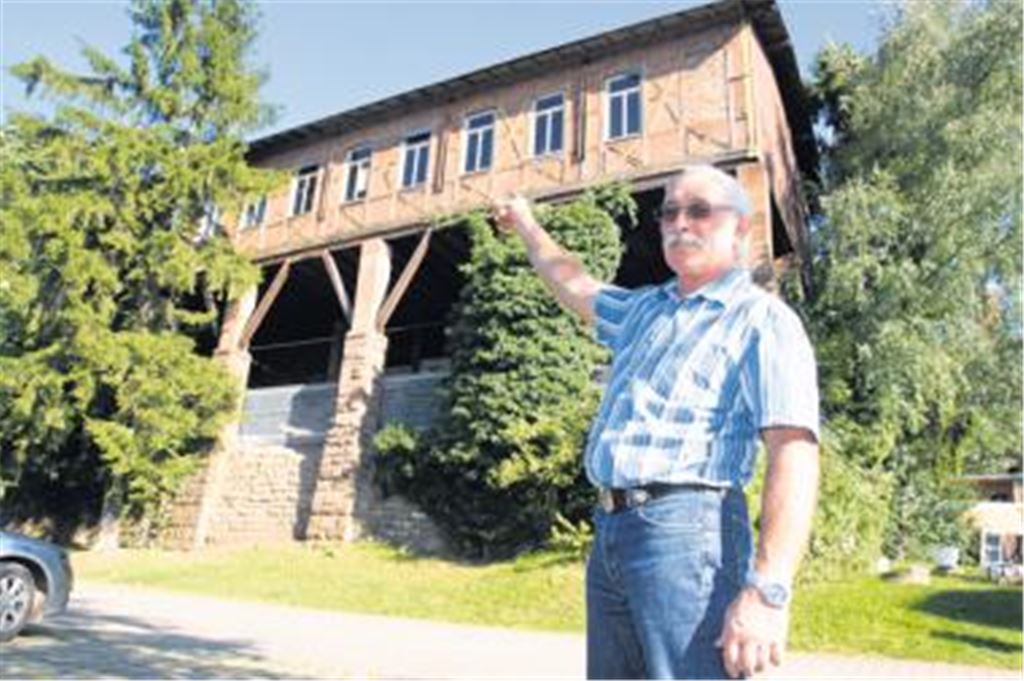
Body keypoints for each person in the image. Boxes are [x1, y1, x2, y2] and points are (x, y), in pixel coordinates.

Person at [492, 165, 820, 680]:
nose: (679, 223)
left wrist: (768, 590)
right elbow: (572, 282)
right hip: (611, 532)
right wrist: (527, 224)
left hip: (688, 531)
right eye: (669, 211)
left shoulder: (763, 319)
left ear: (740, 229)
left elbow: (794, 452)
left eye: (699, 210)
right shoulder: (645, 310)